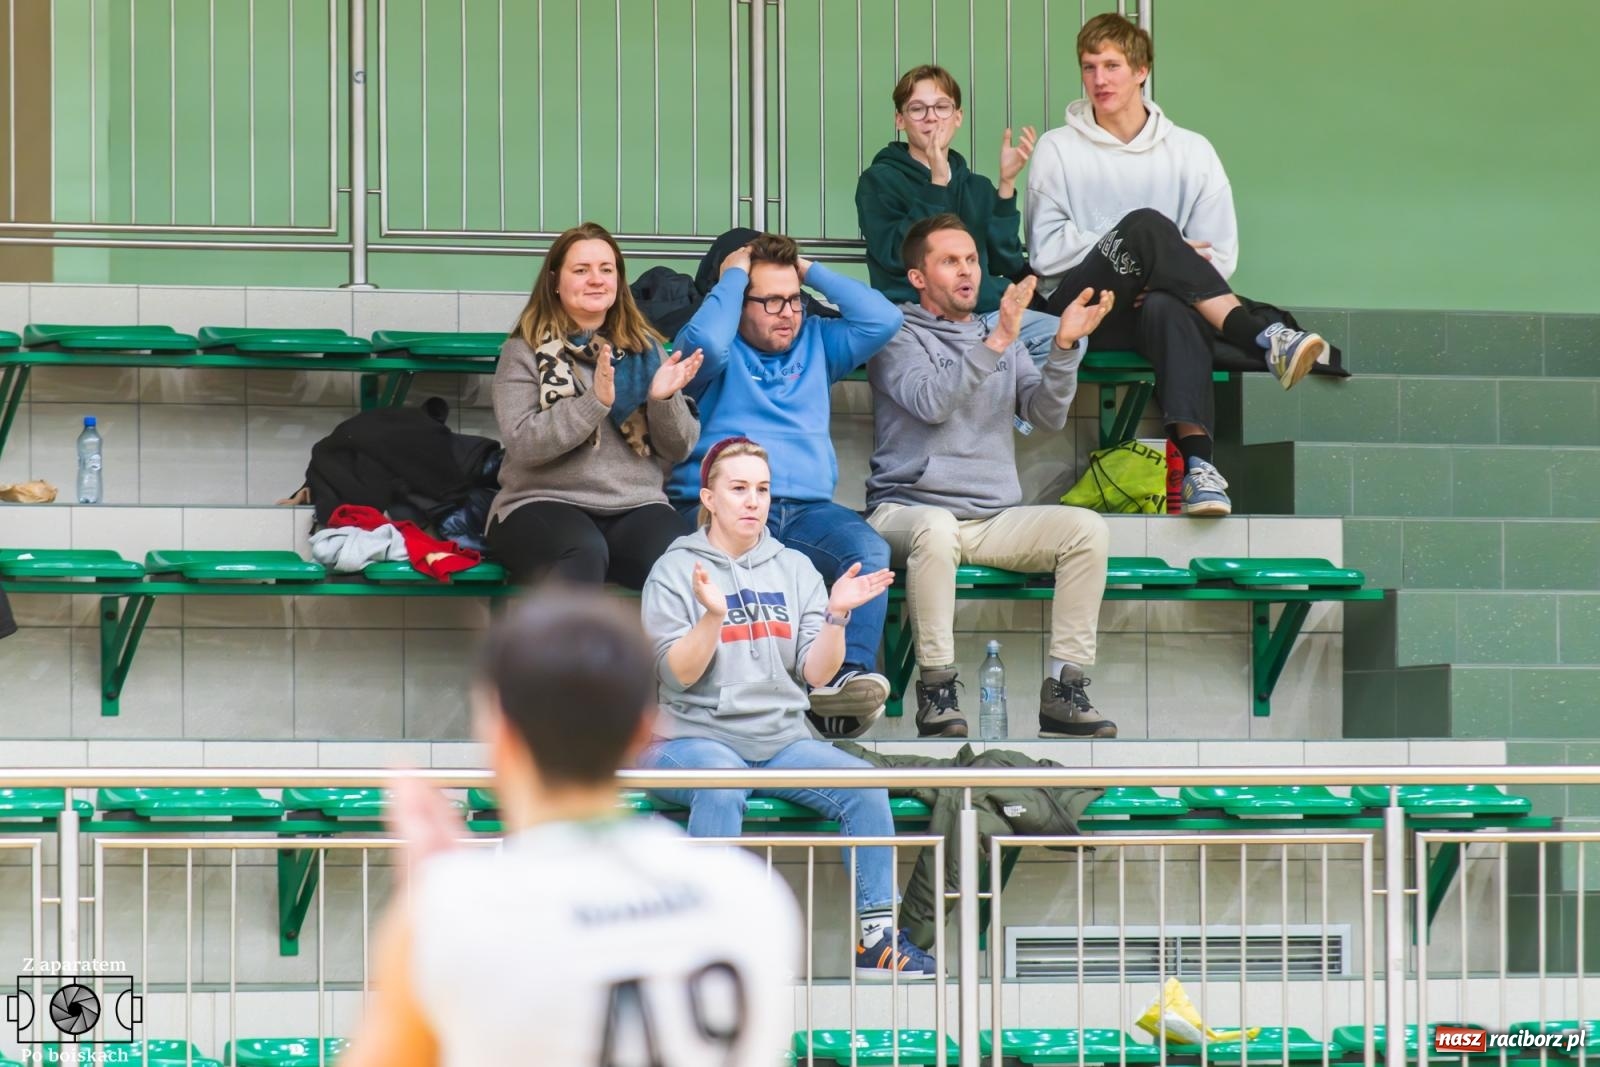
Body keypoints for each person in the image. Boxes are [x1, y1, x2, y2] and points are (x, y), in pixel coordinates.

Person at [341, 589, 801, 1067]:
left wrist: (426, 904)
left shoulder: (454, 912)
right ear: (642, 733)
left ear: (500, 737)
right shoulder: (752, 895)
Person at [640, 436, 938, 980]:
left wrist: (837, 617)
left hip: (780, 742)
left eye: (762, 489)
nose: (753, 501)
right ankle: (704, 945)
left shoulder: (795, 567)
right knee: (721, 780)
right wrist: (711, 617)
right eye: (738, 489)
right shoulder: (676, 569)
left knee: (865, 785)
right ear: (708, 498)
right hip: (690, 740)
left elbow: (817, 673)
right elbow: (676, 672)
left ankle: (876, 940)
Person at [1025, 12, 1327, 517]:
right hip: (1084, 311)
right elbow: (1046, 251)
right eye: (1089, 67)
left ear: (1142, 70)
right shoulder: (1058, 149)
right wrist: (1145, 253)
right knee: (1146, 225)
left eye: (1112, 66)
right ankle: (1259, 333)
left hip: (1162, 309)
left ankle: (1200, 471)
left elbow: (1221, 256)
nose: (1099, 79)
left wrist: (1159, 271)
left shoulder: (1191, 151)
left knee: (1169, 302)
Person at [868, 214, 1119, 740]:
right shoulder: (896, 334)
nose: (967, 272)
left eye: (972, 260)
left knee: (1086, 530)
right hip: (905, 511)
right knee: (936, 528)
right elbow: (932, 402)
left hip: (988, 518)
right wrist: (1000, 339)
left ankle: (1063, 691)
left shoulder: (995, 335)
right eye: (950, 261)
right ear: (919, 277)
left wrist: (1065, 348)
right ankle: (936, 690)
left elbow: (1045, 416)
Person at [670, 232, 901, 736]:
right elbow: (702, 342)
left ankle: (842, 682)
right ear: (738, 303)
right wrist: (733, 273)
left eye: (793, 299)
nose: (787, 313)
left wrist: (809, 268)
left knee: (867, 549)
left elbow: (885, 318)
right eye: (771, 301)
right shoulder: (720, 347)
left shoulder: (819, 340)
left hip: (807, 511)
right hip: (722, 508)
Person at [486, 221, 704, 585]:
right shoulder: (523, 349)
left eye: (607, 270)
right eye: (581, 270)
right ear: (555, 280)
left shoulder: (645, 350)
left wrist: (663, 400)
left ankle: (671, 646)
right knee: (583, 552)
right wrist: (594, 402)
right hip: (539, 501)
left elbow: (678, 448)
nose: (596, 279)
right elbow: (524, 444)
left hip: (635, 503)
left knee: (681, 560)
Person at [855, 64, 1059, 358]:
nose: (931, 117)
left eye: (942, 107)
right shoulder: (879, 180)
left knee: (1062, 337)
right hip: (920, 319)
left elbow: (1006, 261)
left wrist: (1006, 185)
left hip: (982, 314)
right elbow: (895, 255)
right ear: (900, 119)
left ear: (958, 117)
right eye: (917, 109)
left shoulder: (975, 185)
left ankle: (1009, 405)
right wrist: (936, 184)